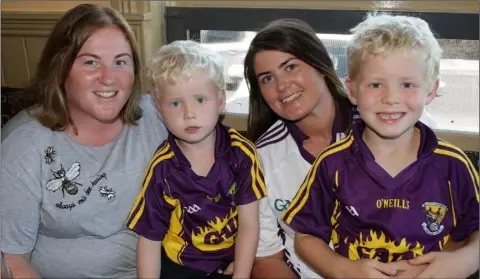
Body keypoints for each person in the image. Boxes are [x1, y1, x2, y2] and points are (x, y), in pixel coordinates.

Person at [282, 13, 479, 279]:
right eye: (375, 84)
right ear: (352, 90)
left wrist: (466, 260)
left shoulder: (453, 165)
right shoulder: (332, 163)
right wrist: (344, 269)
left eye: (407, 84)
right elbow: (304, 236)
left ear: (430, 90)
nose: (391, 99)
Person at [0, 4, 167, 278]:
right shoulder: (23, 146)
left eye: (120, 61)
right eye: (90, 62)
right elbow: (13, 264)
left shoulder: (157, 118)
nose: (108, 78)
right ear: (61, 69)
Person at [126, 40, 267, 279]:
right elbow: (149, 240)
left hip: (235, 261)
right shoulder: (162, 168)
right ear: (160, 112)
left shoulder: (242, 154)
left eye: (200, 100)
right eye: (175, 103)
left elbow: (250, 226)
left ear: (221, 101)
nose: (189, 113)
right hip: (181, 264)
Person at [244, 18, 356, 278]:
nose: (281, 86)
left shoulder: (379, 128)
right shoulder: (259, 160)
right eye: (267, 78)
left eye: (291, 67)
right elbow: (266, 259)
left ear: (320, 64)